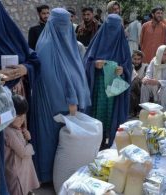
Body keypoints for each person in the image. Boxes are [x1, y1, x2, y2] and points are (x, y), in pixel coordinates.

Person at [0, 0, 42, 193]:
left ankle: (21, 183)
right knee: (0, 149)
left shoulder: (11, 35)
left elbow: (33, 59)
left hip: (16, 99)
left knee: (19, 140)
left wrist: (24, 68)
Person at [30, 8, 91, 182]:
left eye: (67, 25)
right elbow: (55, 80)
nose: (65, 29)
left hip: (68, 103)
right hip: (56, 104)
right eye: (61, 25)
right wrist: (72, 99)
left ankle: (64, 174)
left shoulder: (66, 41)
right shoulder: (48, 46)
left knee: (64, 142)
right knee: (52, 139)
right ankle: (51, 176)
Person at [83, 14, 132, 149]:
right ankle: (96, 142)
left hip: (115, 87)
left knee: (112, 115)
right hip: (98, 86)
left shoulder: (123, 45)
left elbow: (128, 65)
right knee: (98, 114)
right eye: (110, 27)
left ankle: (111, 143)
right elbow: (86, 61)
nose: (112, 32)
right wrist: (94, 64)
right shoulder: (97, 41)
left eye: (115, 28)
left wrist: (123, 70)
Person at [5, 95, 39, 194]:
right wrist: (30, 143)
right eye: (19, 116)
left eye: (24, 116)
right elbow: (23, 152)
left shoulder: (16, 128)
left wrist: (26, 136)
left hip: (22, 168)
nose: (22, 119)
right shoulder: (8, 132)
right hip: (16, 172)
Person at [140, 45, 166, 110]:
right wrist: (146, 79)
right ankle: (144, 109)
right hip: (157, 83)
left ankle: (163, 111)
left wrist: (158, 82)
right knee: (145, 85)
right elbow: (148, 73)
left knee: (165, 89)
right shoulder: (154, 61)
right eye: (165, 54)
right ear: (159, 54)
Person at [130, 50, 148, 116]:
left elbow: (146, 79)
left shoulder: (145, 67)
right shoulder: (130, 66)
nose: (136, 61)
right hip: (132, 90)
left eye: (138, 59)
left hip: (142, 89)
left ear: (141, 59)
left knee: (135, 81)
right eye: (135, 59)